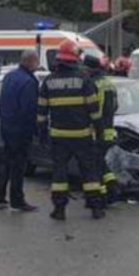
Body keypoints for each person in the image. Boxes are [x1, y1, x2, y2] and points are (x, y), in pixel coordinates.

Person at [38, 40, 106, 221]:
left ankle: (59, 209)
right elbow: (94, 111)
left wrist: (41, 135)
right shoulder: (85, 79)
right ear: (75, 59)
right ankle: (96, 208)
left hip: (58, 136)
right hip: (82, 136)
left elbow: (41, 113)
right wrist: (100, 133)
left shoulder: (49, 81)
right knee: (89, 172)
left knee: (59, 174)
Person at [0, 49, 41, 212]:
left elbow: (2, 101)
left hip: (6, 126)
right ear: (30, 61)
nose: (38, 65)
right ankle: (17, 200)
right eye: (37, 61)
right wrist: (35, 130)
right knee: (19, 166)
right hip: (21, 129)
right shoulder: (29, 82)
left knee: (6, 162)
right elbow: (29, 109)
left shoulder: (9, 77)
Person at [84, 53, 119, 204]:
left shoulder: (92, 84)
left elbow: (91, 110)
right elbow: (116, 106)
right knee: (100, 162)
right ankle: (112, 187)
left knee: (94, 166)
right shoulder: (109, 82)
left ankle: (103, 196)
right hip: (109, 130)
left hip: (96, 131)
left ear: (89, 69)